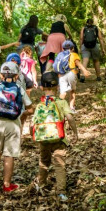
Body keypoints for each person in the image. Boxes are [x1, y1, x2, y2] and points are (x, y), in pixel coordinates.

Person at [0, 62, 33, 193]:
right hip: (13, 124)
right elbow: (30, 108)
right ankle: (6, 184)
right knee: (9, 154)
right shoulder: (19, 89)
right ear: (17, 76)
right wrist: (25, 113)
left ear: (1, 75)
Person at [30, 71, 77, 202]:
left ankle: (41, 185)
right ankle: (61, 192)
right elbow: (69, 117)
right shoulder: (61, 102)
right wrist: (75, 132)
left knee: (44, 162)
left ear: (41, 87)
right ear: (57, 87)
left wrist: (32, 135)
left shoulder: (39, 105)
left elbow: (32, 123)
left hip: (43, 139)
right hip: (59, 138)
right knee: (60, 164)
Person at [53, 40, 90, 111]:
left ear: (63, 48)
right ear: (73, 48)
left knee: (63, 92)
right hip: (71, 73)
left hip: (61, 75)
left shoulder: (60, 55)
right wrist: (85, 71)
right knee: (72, 91)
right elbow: (79, 64)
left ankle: (59, 109)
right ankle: (71, 108)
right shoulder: (74, 54)